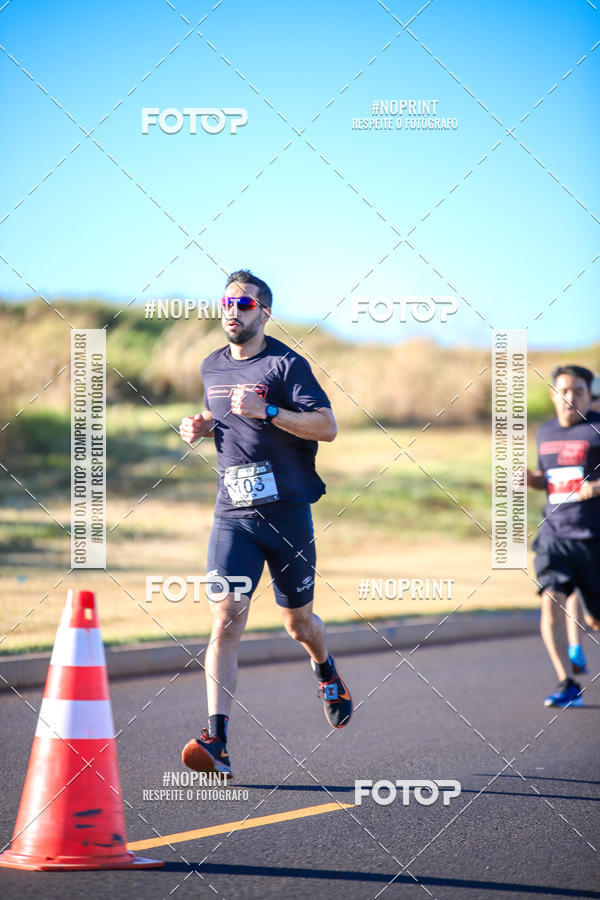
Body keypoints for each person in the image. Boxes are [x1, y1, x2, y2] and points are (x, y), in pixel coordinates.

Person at [178, 270, 352, 777]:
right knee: (226, 615)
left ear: (265, 313)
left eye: (245, 304)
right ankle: (217, 739)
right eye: (227, 303)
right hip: (233, 516)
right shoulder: (211, 366)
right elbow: (225, 421)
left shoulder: (286, 364)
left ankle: (325, 669)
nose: (233, 311)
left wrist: (269, 409)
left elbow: (327, 427)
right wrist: (202, 425)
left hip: (287, 516)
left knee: (298, 625)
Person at [526, 364, 600, 707]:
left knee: (595, 619)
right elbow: (550, 478)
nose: (570, 397)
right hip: (555, 535)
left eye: (578, 391)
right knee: (551, 600)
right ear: (553, 394)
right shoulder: (545, 432)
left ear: (589, 395)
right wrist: (531, 479)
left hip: (593, 539)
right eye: (564, 390)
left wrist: (597, 487)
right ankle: (566, 683)